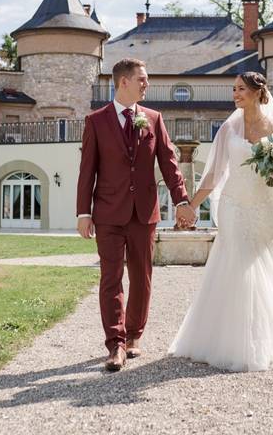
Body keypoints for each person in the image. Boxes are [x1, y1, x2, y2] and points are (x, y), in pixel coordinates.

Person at [168, 71, 273, 372]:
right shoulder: (228, 127)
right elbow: (214, 173)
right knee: (234, 264)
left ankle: (266, 337)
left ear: (256, 92)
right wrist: (192, 206)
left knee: (264, 264)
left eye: (240, 89)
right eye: (233, 89)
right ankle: (229, 341)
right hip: (234, 205)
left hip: (264, 206)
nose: (235, 94)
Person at [76, 58, 196, 372]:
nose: (147, 84)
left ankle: (133, 337)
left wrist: (182, 200)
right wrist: (82, 212)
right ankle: (114, 344)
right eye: (142, 79)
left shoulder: (154, 119)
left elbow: (170, 165)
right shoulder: (96, 121)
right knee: (110, 279)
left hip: (144, 213)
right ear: (124, 82)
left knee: (141, 278)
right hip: (107, 213)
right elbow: (87, 170)